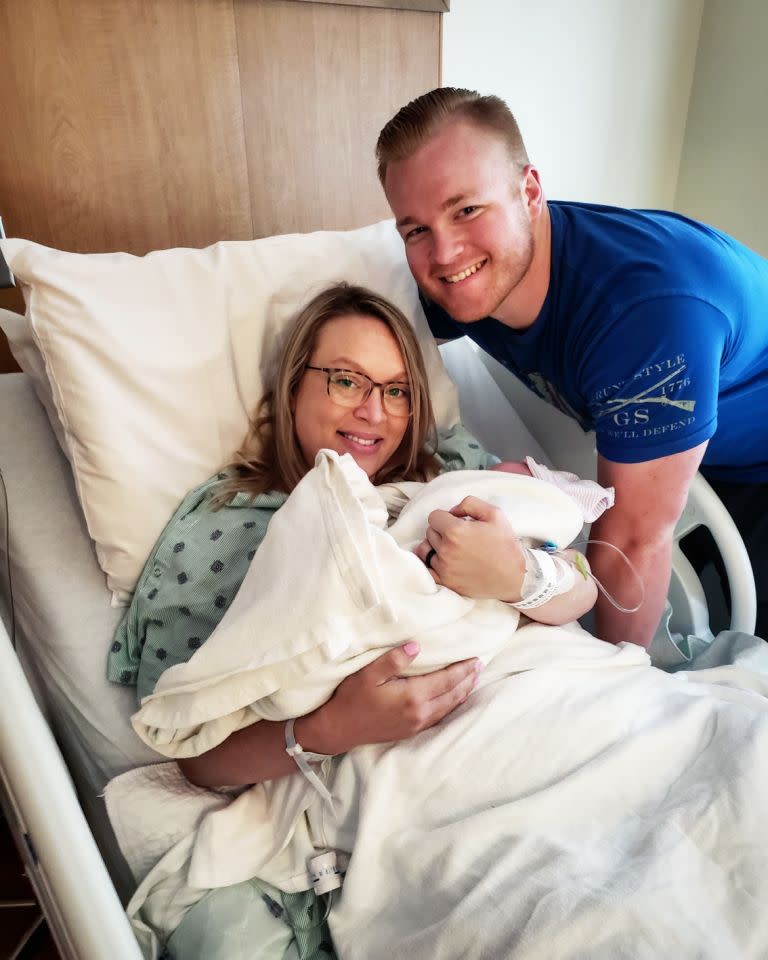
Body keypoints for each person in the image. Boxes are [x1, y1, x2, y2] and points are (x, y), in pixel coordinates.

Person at [108, 282, 597, 959]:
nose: (374, 411)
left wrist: (519, 578)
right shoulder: (226, 528)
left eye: (397, 391)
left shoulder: (449, 477)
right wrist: (329, 728)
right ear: (292, 386)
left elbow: (581, 590)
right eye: (346, 380)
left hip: (554, 712)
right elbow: (195, 753)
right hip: (426, 787)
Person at [375, 86, 768, 648]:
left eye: (466, 210)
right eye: (415, 229)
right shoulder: (463, 279)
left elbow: (633, 542)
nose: (443, 254)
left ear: (529, 193)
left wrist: (609, 681)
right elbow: (372, 351)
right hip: (713, 441)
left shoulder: (643, 320)